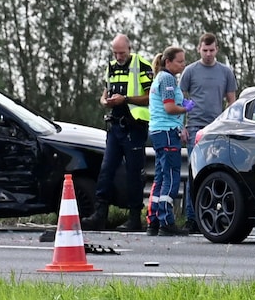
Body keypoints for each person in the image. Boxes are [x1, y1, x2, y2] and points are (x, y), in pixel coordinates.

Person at [84, 34, 154, 232]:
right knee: (106, 170)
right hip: (115, 127)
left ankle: (134, 218)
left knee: (134, 173)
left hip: (135, 127)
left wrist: (126, 99)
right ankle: (100, 215)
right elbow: (104, 93)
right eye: (115, 52)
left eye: (121, 52)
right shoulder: (111, 66)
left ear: (129, 49)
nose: (118, 56)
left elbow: (150, 97)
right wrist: (104, 102)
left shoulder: (141, 65)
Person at [179, 32, 237, 231]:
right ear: (199, 49)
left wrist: (230, 125)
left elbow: (232, 101)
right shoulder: (190, 71)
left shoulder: (225, 72)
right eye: (205, 50)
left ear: (217, 50)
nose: (208, 54)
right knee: (194, 172)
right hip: (195, 126)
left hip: (217, 127)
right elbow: (180, 99)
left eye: (212, 50)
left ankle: (216, 216)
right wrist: (182, 125)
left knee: (217, 171)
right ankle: (191, 218)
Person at [146, 46, 193, 236]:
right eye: (180, 61)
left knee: (159, 176)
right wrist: (186, 108)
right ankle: (167, 221)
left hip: (159, 131)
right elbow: (170, 108)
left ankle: (153, 221)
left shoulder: (162, 78)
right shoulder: (167, 79)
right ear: (168, 62)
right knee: (171, 176)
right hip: (166, 132)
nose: (183, 65)